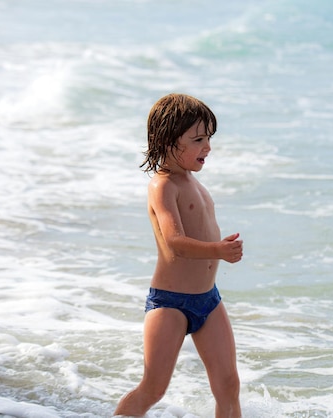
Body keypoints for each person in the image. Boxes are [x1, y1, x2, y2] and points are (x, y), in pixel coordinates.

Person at [114, 93, 243, 418]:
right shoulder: (163, 186)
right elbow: (175, 242)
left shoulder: (194, 183)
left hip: (208, 301)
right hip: (170, 303)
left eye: (209, 139)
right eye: (198, 139)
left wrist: (219, 250)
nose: (208, 148)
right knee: (153, 388)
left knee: (228, 385)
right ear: (169, 141)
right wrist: (219, 251)